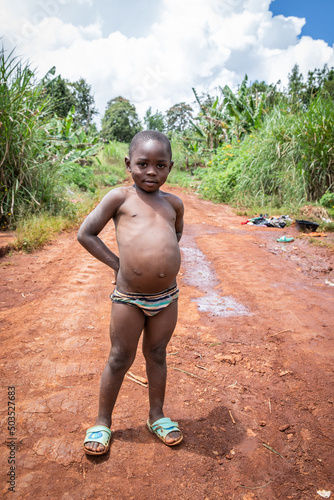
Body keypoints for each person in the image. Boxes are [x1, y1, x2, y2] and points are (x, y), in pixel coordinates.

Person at [77, 130, 184, 456]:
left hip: (167, 298)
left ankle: (157, 415)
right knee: (120, 357)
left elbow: (174, 236)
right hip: (129, 298)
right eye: (143, 164)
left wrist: (160, 264)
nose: (151, 172)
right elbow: (86, 233)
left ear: (170, 167)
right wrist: (119, 265)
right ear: (128, 164)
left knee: (157, 354)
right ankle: (103, 421)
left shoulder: (174, 203)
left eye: (160, 165)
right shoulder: (119, 198)